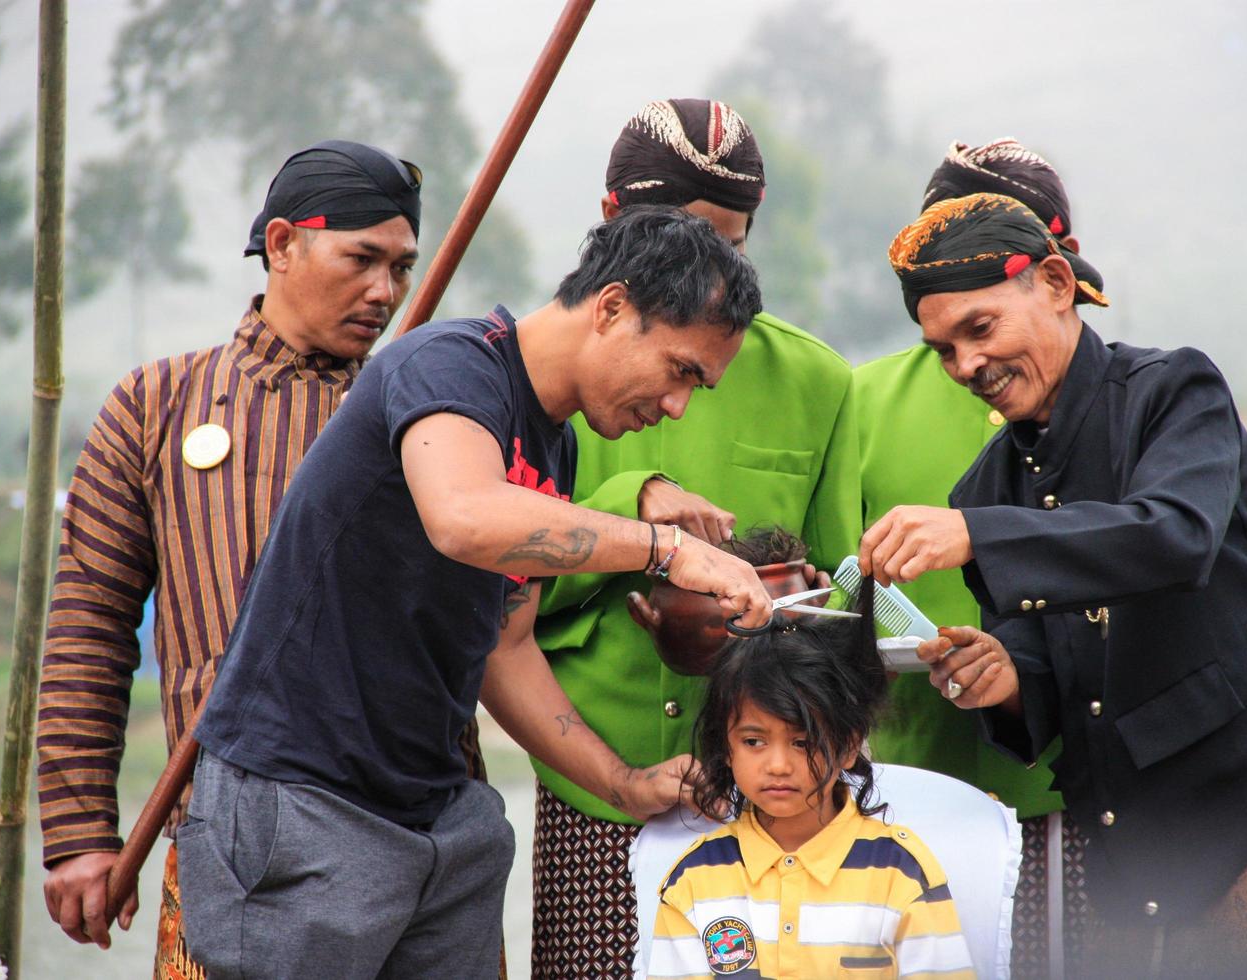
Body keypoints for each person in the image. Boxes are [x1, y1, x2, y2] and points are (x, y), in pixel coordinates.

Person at [177, 205, 774, 978]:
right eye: (681, 370)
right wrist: (666, 549)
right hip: (304, 797)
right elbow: (463, 517)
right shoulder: (450, 366)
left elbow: (504, 644)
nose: (677, 406)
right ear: (613, 307)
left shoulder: (550, 443)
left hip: (432, 811)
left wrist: (623, 787)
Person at [864, 191, 1247, 976]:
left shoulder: (1175, 394)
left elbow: (1176, 536)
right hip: (1123, 807)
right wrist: (1004, 677)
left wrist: (976, 535)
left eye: (980, 328)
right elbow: (1043, 654)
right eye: (942, 349)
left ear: (1058, 286)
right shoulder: (987, 486)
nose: (965, 366)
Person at [35, 139, 425, 975]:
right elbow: (89, 631)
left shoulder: (429, 410)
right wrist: (77, 835)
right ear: (282, 244)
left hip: (415, 832)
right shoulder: (152, 406)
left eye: (401, 267)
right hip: (231, 841)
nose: (384, 292)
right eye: (362, 258)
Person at [529, 98, 861, 977]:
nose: (705, 270)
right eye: (680, 239)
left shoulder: (818, 380)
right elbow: (500, 592)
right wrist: (628, 508)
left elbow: (840, 600)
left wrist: (777, 606)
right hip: (593, 777)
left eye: (730, 244)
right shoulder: (541, 376)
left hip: (769, 791)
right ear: (612, 226)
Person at [857, 139, 1077, 977]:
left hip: (1074, 783)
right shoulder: (867, 397)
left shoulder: (1128, 398)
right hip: (917, 769)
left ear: (1054, 274)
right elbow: (850, 575)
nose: (969, 363)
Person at [649, 594, 974, 979]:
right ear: (726, 745)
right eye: (754, 741)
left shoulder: (900, 872)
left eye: (803, 742)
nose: (778, 766)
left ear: (850, 744)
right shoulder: (694, 876)